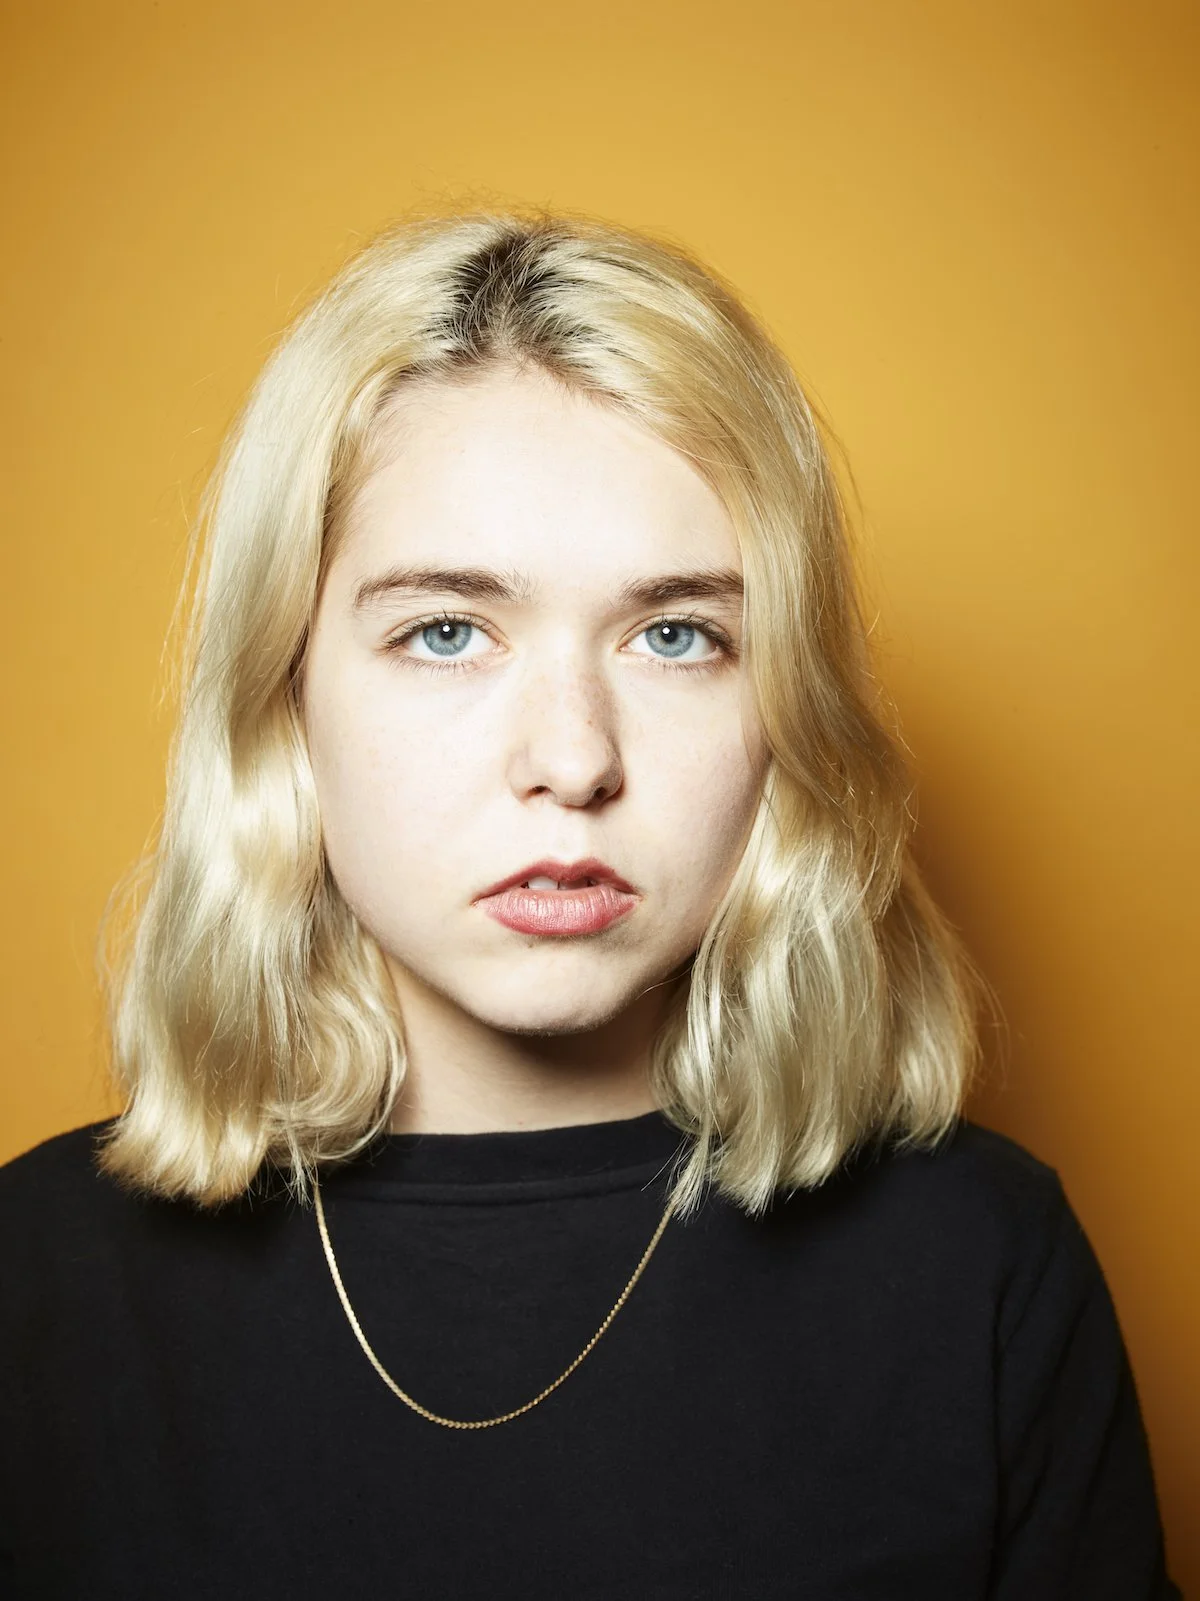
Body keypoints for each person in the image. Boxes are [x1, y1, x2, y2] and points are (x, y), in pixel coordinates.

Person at [0, 209, 1180, 1599]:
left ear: (784, 709)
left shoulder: (979, 1268)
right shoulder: (37, 1286)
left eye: (676, 635)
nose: (572, 759)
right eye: (447, 630)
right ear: (286, 697)